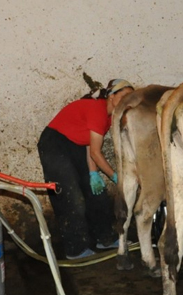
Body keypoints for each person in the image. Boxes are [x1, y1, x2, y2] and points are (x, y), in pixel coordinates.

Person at [37, 79, 135, 259]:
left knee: (96, 193)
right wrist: (116, 177)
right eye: (124, 96)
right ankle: (76, 249)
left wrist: (93, 173)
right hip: (55, 144)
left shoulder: (108, 117)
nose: (128, 101)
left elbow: (91, 147)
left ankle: (105, 238)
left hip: (77, 146)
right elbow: (97, 154)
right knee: (70, 196)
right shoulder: (97, 109)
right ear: (111, 96)